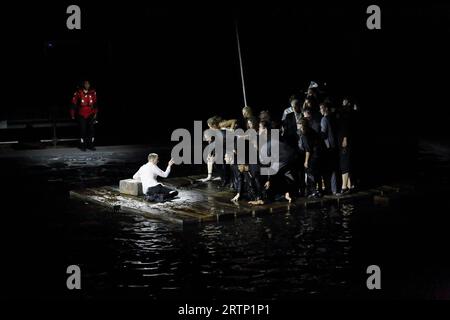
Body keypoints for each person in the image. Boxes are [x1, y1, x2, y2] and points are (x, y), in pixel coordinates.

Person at [298, 118, 324, 197]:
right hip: (318, 154)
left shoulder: (305, 135)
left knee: (310, 173)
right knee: (317, 173)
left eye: (299, 126)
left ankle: (313, 191)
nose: (298, 128)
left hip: (312, 156)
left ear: (302, 126)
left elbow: (308, 150)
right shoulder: (312, 131)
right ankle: (319, 190)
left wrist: (306, 161)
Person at [71, 80, 98, 151]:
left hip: (91, 114)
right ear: (83, 85)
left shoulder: (93, 92)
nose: (87, 85)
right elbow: (74, 104)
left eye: (88, 84)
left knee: (91, 130)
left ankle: (91, 145)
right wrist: (72, 114)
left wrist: (95, 113)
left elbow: (95, 104)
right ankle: (82, 146)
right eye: (86, 84)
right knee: (83, 130)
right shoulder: (78, 92)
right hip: (82, 114)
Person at [320, 102, 339, 195]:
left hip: (328, 147)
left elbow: (323, 134)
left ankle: (329, 189)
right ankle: (335, 189)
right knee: (334, 168)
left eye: (321, 108)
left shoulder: (324, 119)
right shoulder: (334, 117)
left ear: (326, 108)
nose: (320, 110)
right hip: (335, 145)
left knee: (328, 169)